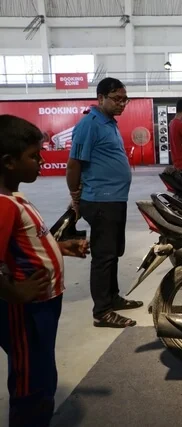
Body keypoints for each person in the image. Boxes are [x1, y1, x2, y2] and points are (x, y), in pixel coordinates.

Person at [0, 114, 89, 427]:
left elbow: (23, 245)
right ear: (9, 162)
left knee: (41, 368)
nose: (41, 161)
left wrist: (61, 248)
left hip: (42, 305)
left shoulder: (13, 198)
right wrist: (14, 292)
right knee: (29, 379)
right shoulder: (3, 204)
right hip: (25, 309)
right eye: (34, 156)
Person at [66, 77, 143, 329]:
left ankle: (112, 298)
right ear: (100, 98)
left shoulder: (109, 123)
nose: (122, 103)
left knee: (113, 253)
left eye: (125, 99)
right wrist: (75, 198)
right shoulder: (90, 124)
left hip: (115, 200)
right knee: (103, 256)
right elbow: (74, 164)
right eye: (116, 98)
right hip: (100, 200)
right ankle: (102, 312)